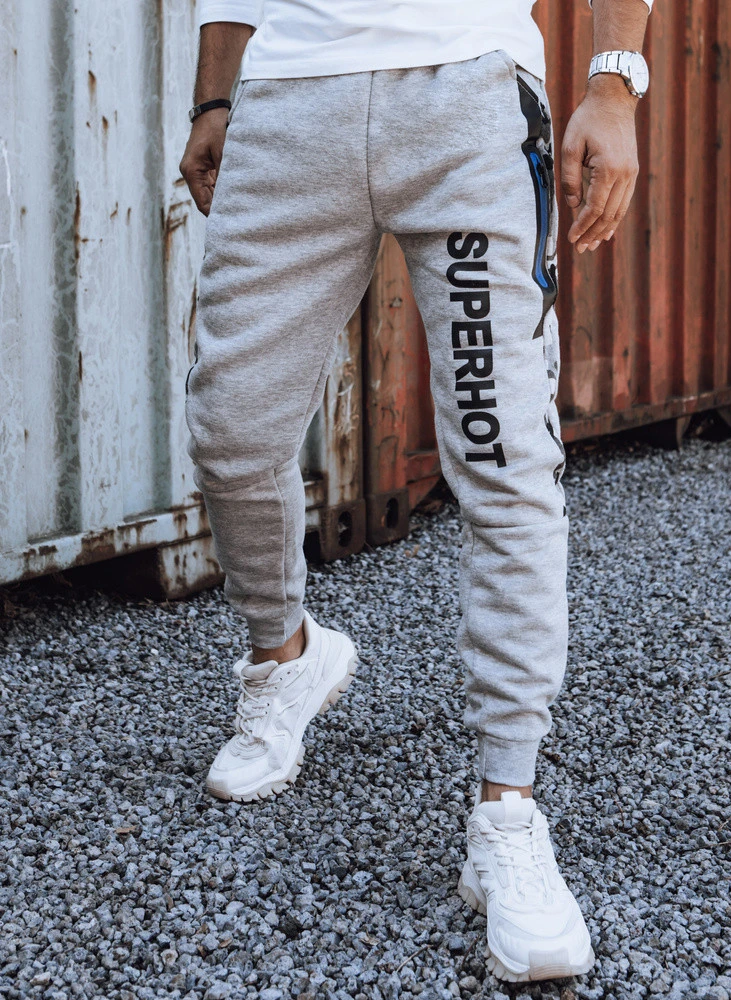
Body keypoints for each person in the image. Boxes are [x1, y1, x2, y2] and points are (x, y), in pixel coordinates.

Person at [180, 0, 652, 982]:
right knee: (231, 430)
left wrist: (615, 81)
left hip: (468, 97)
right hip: (289, 101)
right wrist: (215, 97)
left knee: (504, 460)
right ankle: (283, 658)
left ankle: (507, 809)